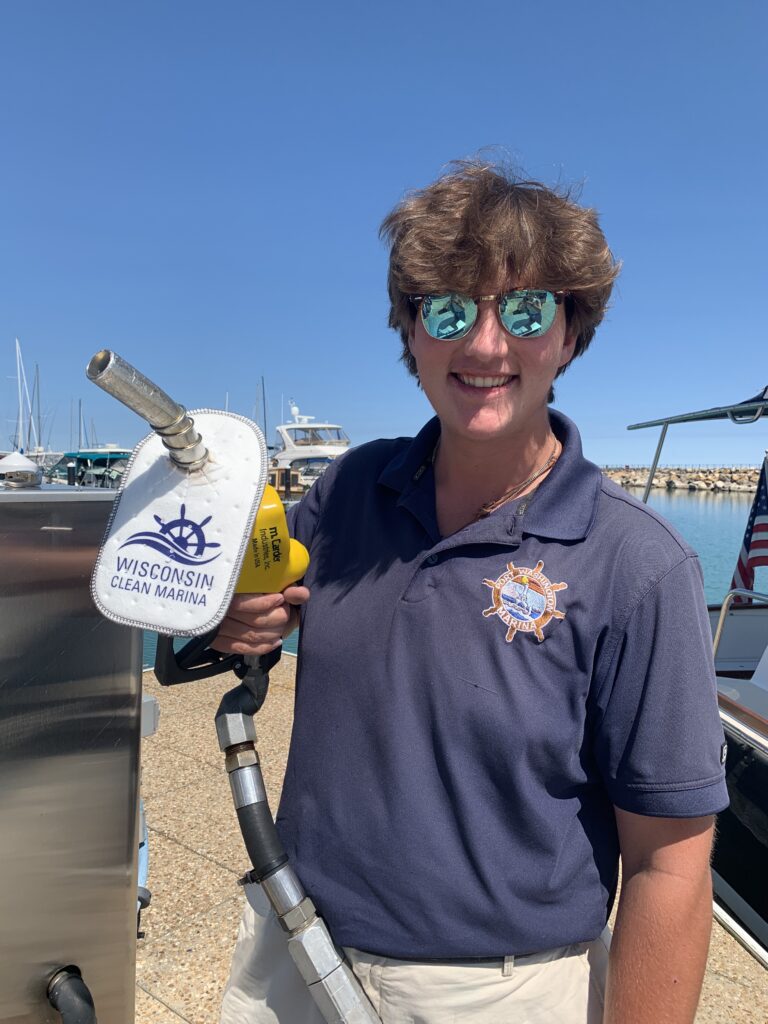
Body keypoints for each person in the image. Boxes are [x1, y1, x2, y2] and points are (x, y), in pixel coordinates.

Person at [215, 161, 728, 1024]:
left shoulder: (637, 565)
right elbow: (247, 615)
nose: (485, 345)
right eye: (450, 309)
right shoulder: (348, 491)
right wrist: (235, 616)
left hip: (499, 993)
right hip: (289, 954)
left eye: (526, 311)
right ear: (410, 332)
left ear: (569, 336)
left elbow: (670, 865)